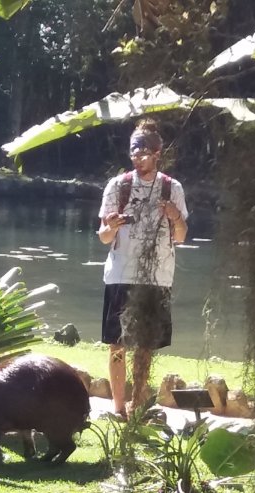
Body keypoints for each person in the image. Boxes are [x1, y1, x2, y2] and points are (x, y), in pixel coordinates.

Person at [96, 120, 189, 417]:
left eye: (144, 152)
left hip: (157, 276)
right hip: (121, 274)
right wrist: (110, 227)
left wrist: (175, 216)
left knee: (145, 345)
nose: (138, 157)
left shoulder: (172, 188)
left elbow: (181, 236)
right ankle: (119, 407)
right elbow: (103, 237)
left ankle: (138, 405)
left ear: (158, 153)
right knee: (116, 344)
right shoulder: (117, 186)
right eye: (133, 152)